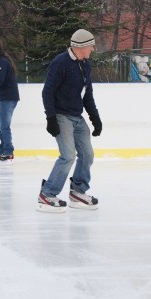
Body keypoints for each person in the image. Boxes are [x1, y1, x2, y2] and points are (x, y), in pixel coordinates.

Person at [37, 29, 103, 212]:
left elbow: (87, 94)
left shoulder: (85, 64)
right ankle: (47, 194)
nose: (92, 49)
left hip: (77, 116)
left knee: (87, 154)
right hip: (61, 115)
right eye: (91, 46)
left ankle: (78, 191)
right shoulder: (60, 63)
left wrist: (95, 118)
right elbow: (47, 91)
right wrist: (51, 118)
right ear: (81, 47)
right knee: (67, 156)